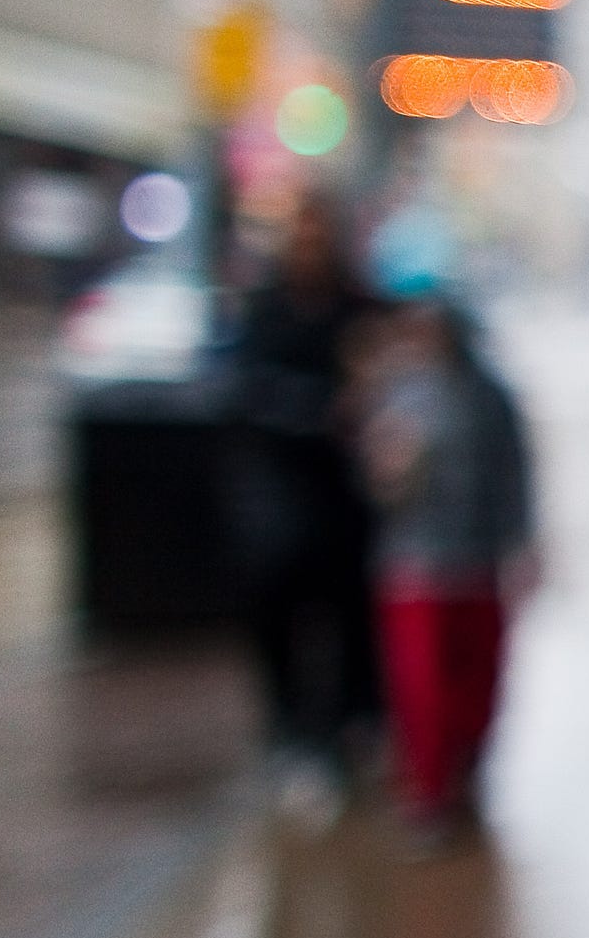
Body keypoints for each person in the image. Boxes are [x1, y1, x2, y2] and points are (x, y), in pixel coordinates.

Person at [226, 194, 385, 822]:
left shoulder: (357, 308)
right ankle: (294, 734)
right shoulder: (267, 309)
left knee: (350, 617)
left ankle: (349, 725)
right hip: (285, 492)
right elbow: (245, 392)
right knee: (281, 611)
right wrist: (318, 412)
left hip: (347, 500)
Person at [356, 294, 535, 852]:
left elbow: (514, 472)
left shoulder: (490, 396)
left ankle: (465, 768)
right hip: (414, 565)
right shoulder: (397, 393)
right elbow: (375, 479)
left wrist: (521, 542)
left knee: (477, 680)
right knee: (422, 687)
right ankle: (428, 791)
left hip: (477, 562)